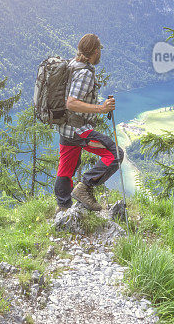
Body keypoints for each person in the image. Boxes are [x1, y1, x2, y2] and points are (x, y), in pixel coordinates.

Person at [54, 33, 124, 213]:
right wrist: (101, 108)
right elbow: (71, 102)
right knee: (115, 154)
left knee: (66, 166)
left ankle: (63, 207)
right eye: (100, 48)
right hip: (78, 129)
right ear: (94, 51)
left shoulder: (71, 65)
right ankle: (84, 187)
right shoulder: (84, 73)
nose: (101, 52)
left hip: (65, 127)